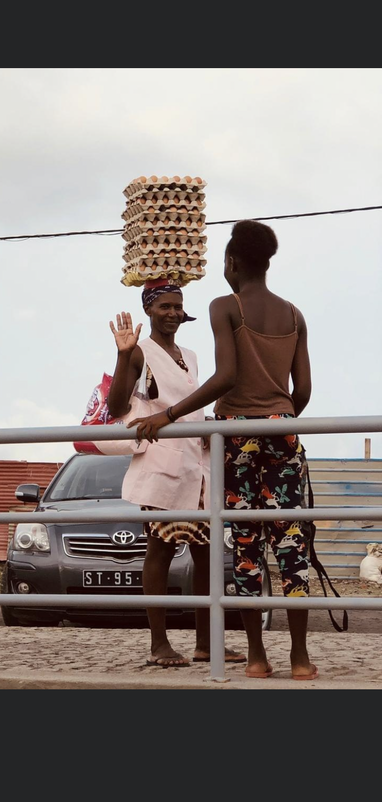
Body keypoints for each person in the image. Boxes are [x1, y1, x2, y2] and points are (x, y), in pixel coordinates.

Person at [128, 220, 316, 681]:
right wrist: (279, 416)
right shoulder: (294, 315)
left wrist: (168, 417)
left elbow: (226, 376)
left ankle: (255, 658)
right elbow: (304, 389)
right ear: (266, 263)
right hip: (283, 427)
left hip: (236, 434)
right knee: (291, 544)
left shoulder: (224, 306)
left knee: (247, 545)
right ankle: (300, 659)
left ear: (232, 263)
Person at [108, 279, 246, 669]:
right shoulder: (140, 352)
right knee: (161, 551)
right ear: (149, 310)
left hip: (197, 466)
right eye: (164, 306)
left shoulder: (191, 354)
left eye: (177, 307)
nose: (172, 313)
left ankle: (206, 643)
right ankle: (159, 645)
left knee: (206, 555)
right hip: (162, 465)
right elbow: (117, 405)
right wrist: (122, 355)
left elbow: (193, 407)